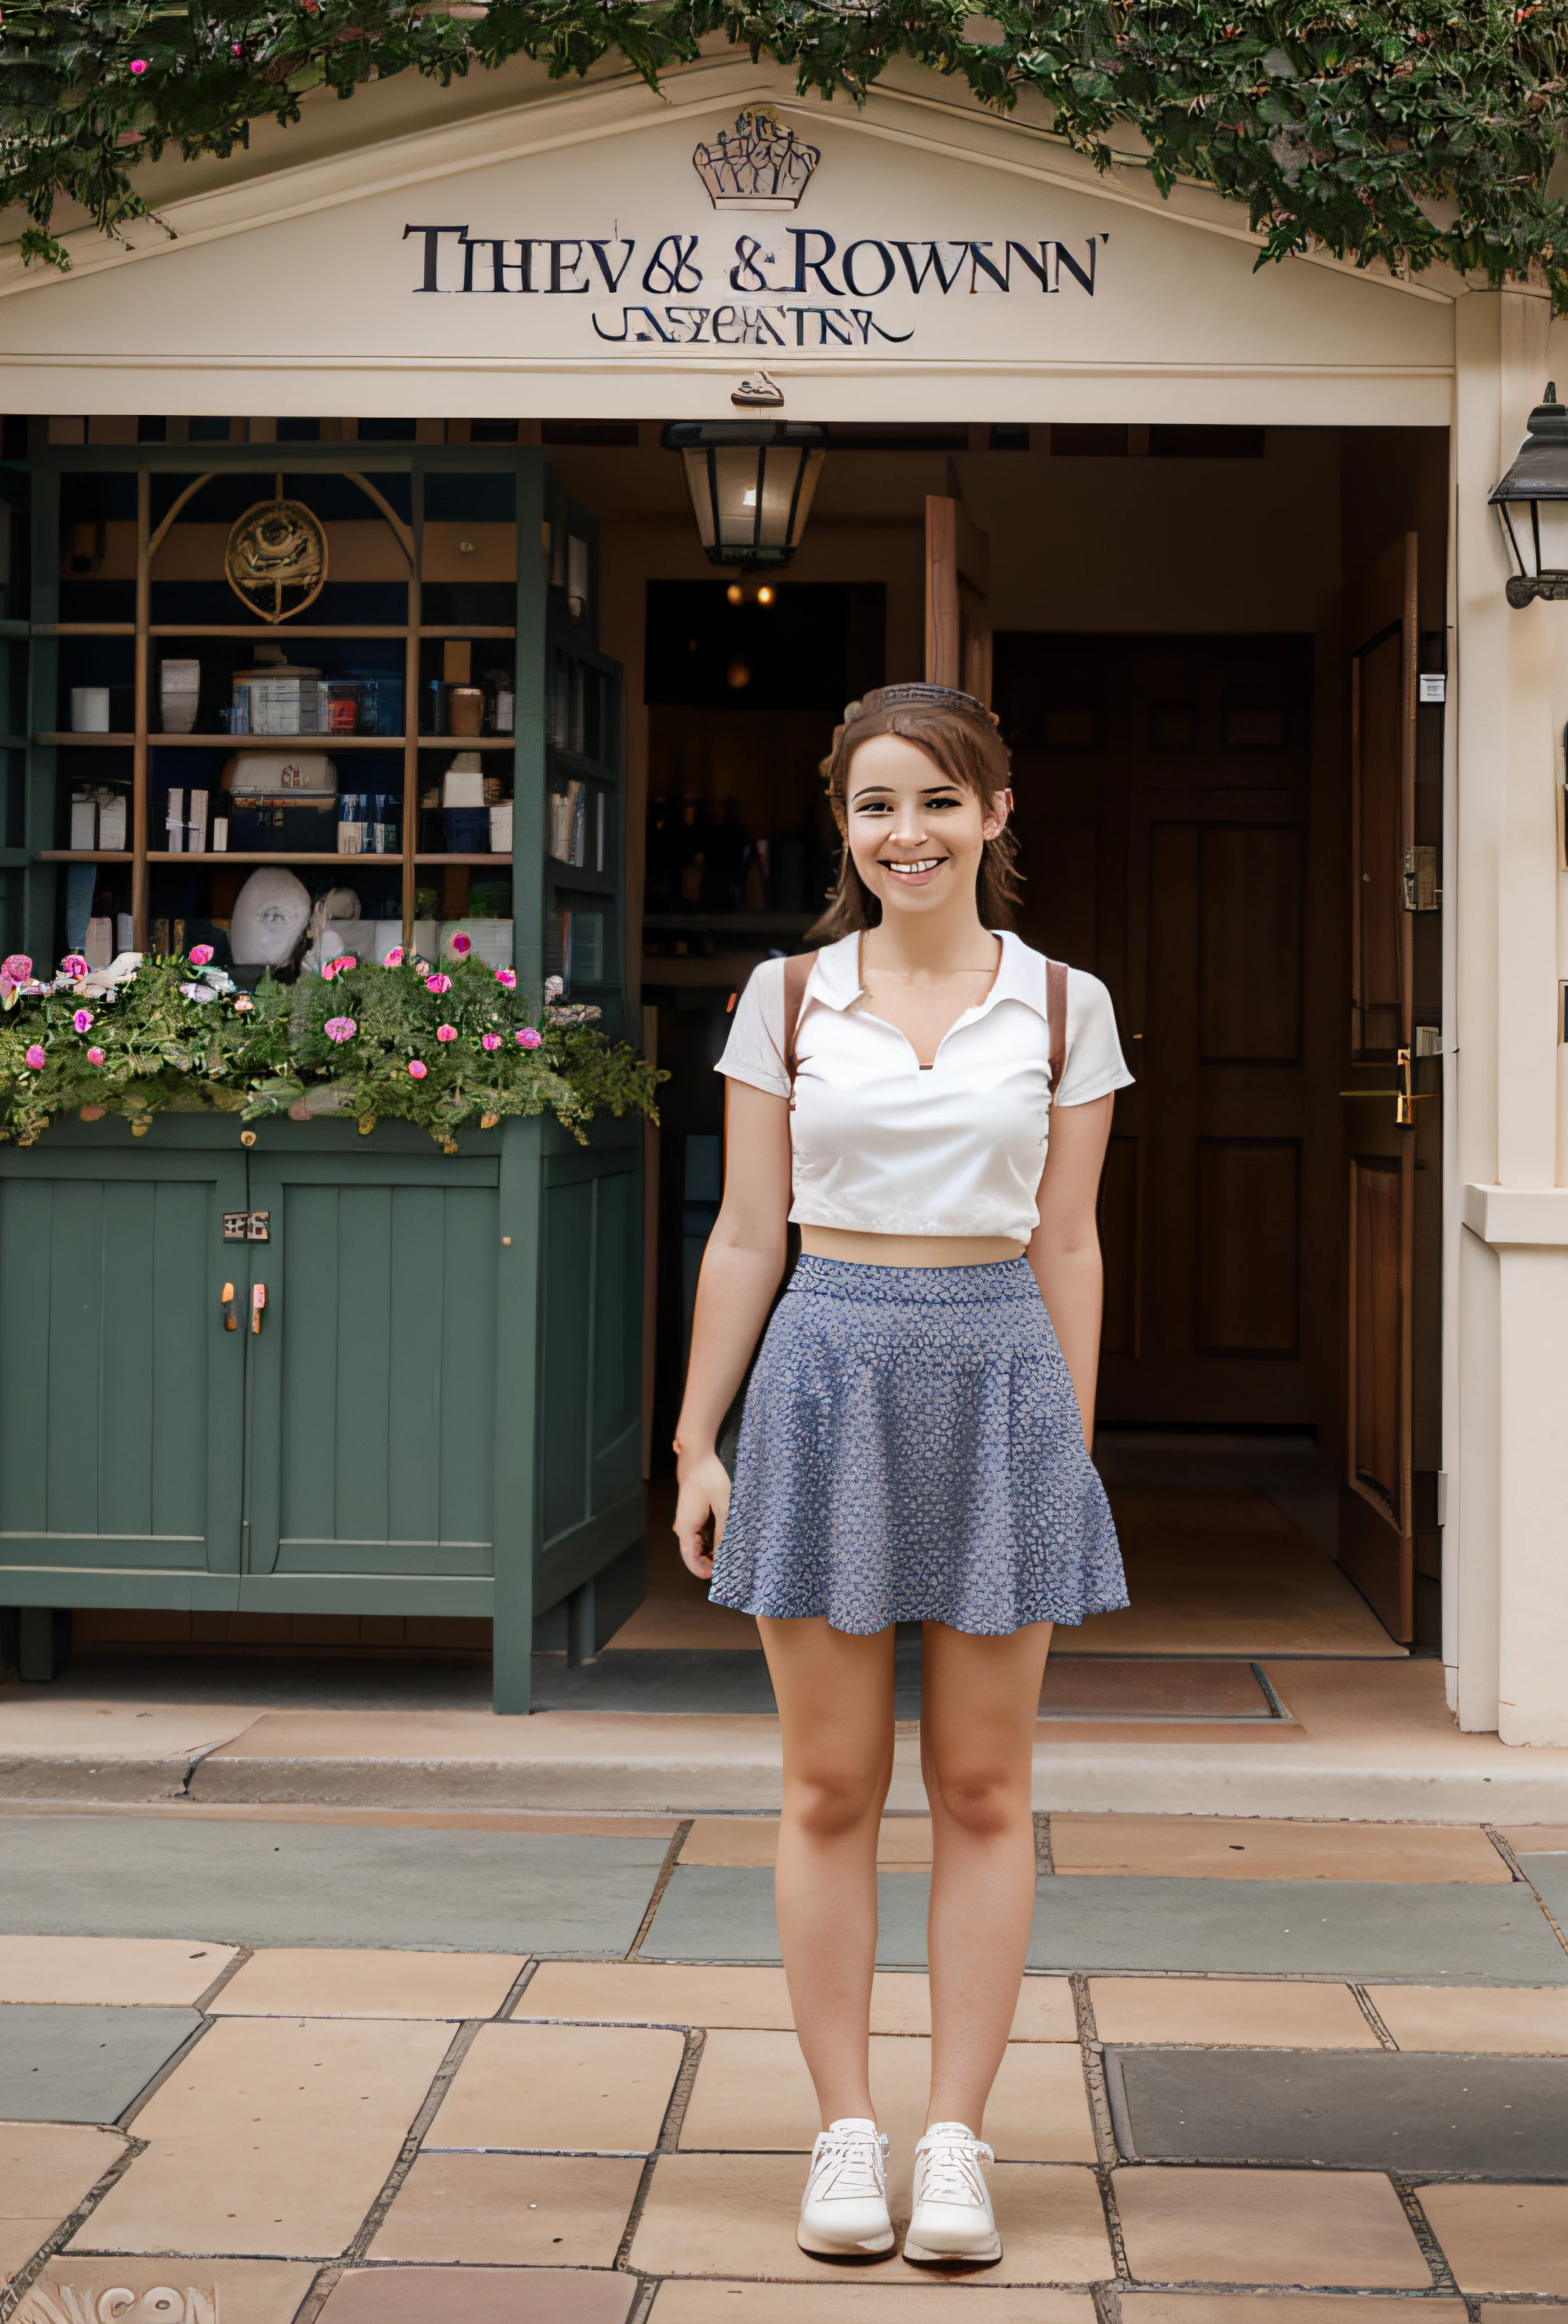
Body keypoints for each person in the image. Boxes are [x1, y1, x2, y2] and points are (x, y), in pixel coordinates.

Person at [671, 680, 1132, 2267]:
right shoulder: (785, 997)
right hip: (823, 1366)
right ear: (845, 823)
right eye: (876, 804)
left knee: (986, 1789)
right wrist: (694, 1435)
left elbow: (1067, 1238)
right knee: (827, 1784)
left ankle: (955, 2141)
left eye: (938, 800)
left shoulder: (1066, 1005)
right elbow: (745, 1231)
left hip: (1002, 1366)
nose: (906, 832)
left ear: (995, 815)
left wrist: (1067, 1447)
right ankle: (844, 2132)